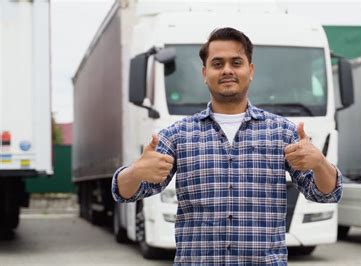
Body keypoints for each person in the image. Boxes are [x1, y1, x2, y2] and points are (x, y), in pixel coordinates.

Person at [112, 27, 342, 265]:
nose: (227, 70)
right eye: (218, 63)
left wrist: (320, 163)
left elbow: (326, 194)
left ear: (250, 70)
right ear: (205, 72)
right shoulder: (177, 136)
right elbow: (124, 193)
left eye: (236, 62)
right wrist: (136, 171)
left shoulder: (283, 133)